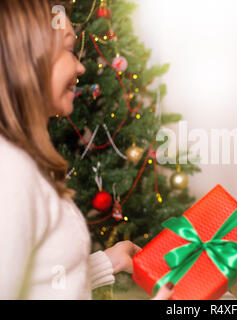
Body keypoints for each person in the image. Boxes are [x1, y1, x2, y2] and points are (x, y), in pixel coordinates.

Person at [0, 0, 172, 300]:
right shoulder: (10, 172)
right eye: (68, 51)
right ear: (29, 58)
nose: (80, 66)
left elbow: (42, 280)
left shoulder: (20, 163)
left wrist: (108, 262)